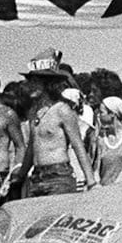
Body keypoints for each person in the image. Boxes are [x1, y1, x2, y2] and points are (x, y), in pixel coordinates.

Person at [23, 55, 91, 196]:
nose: (30, 86)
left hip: (59, 177)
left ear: (48, 83)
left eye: (36, 81)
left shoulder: (62, 110)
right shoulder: (34, 112)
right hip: (36, 177)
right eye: (30, 81)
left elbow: (78, 145)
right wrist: (20, 174)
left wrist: (91, 181)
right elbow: (31, 148)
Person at [92, 96, 122, 186]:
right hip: (104, 189)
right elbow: (96, 168)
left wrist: (116, 185)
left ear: (112, 114)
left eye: (102, 112)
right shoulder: (101, 139)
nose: (99, 115)